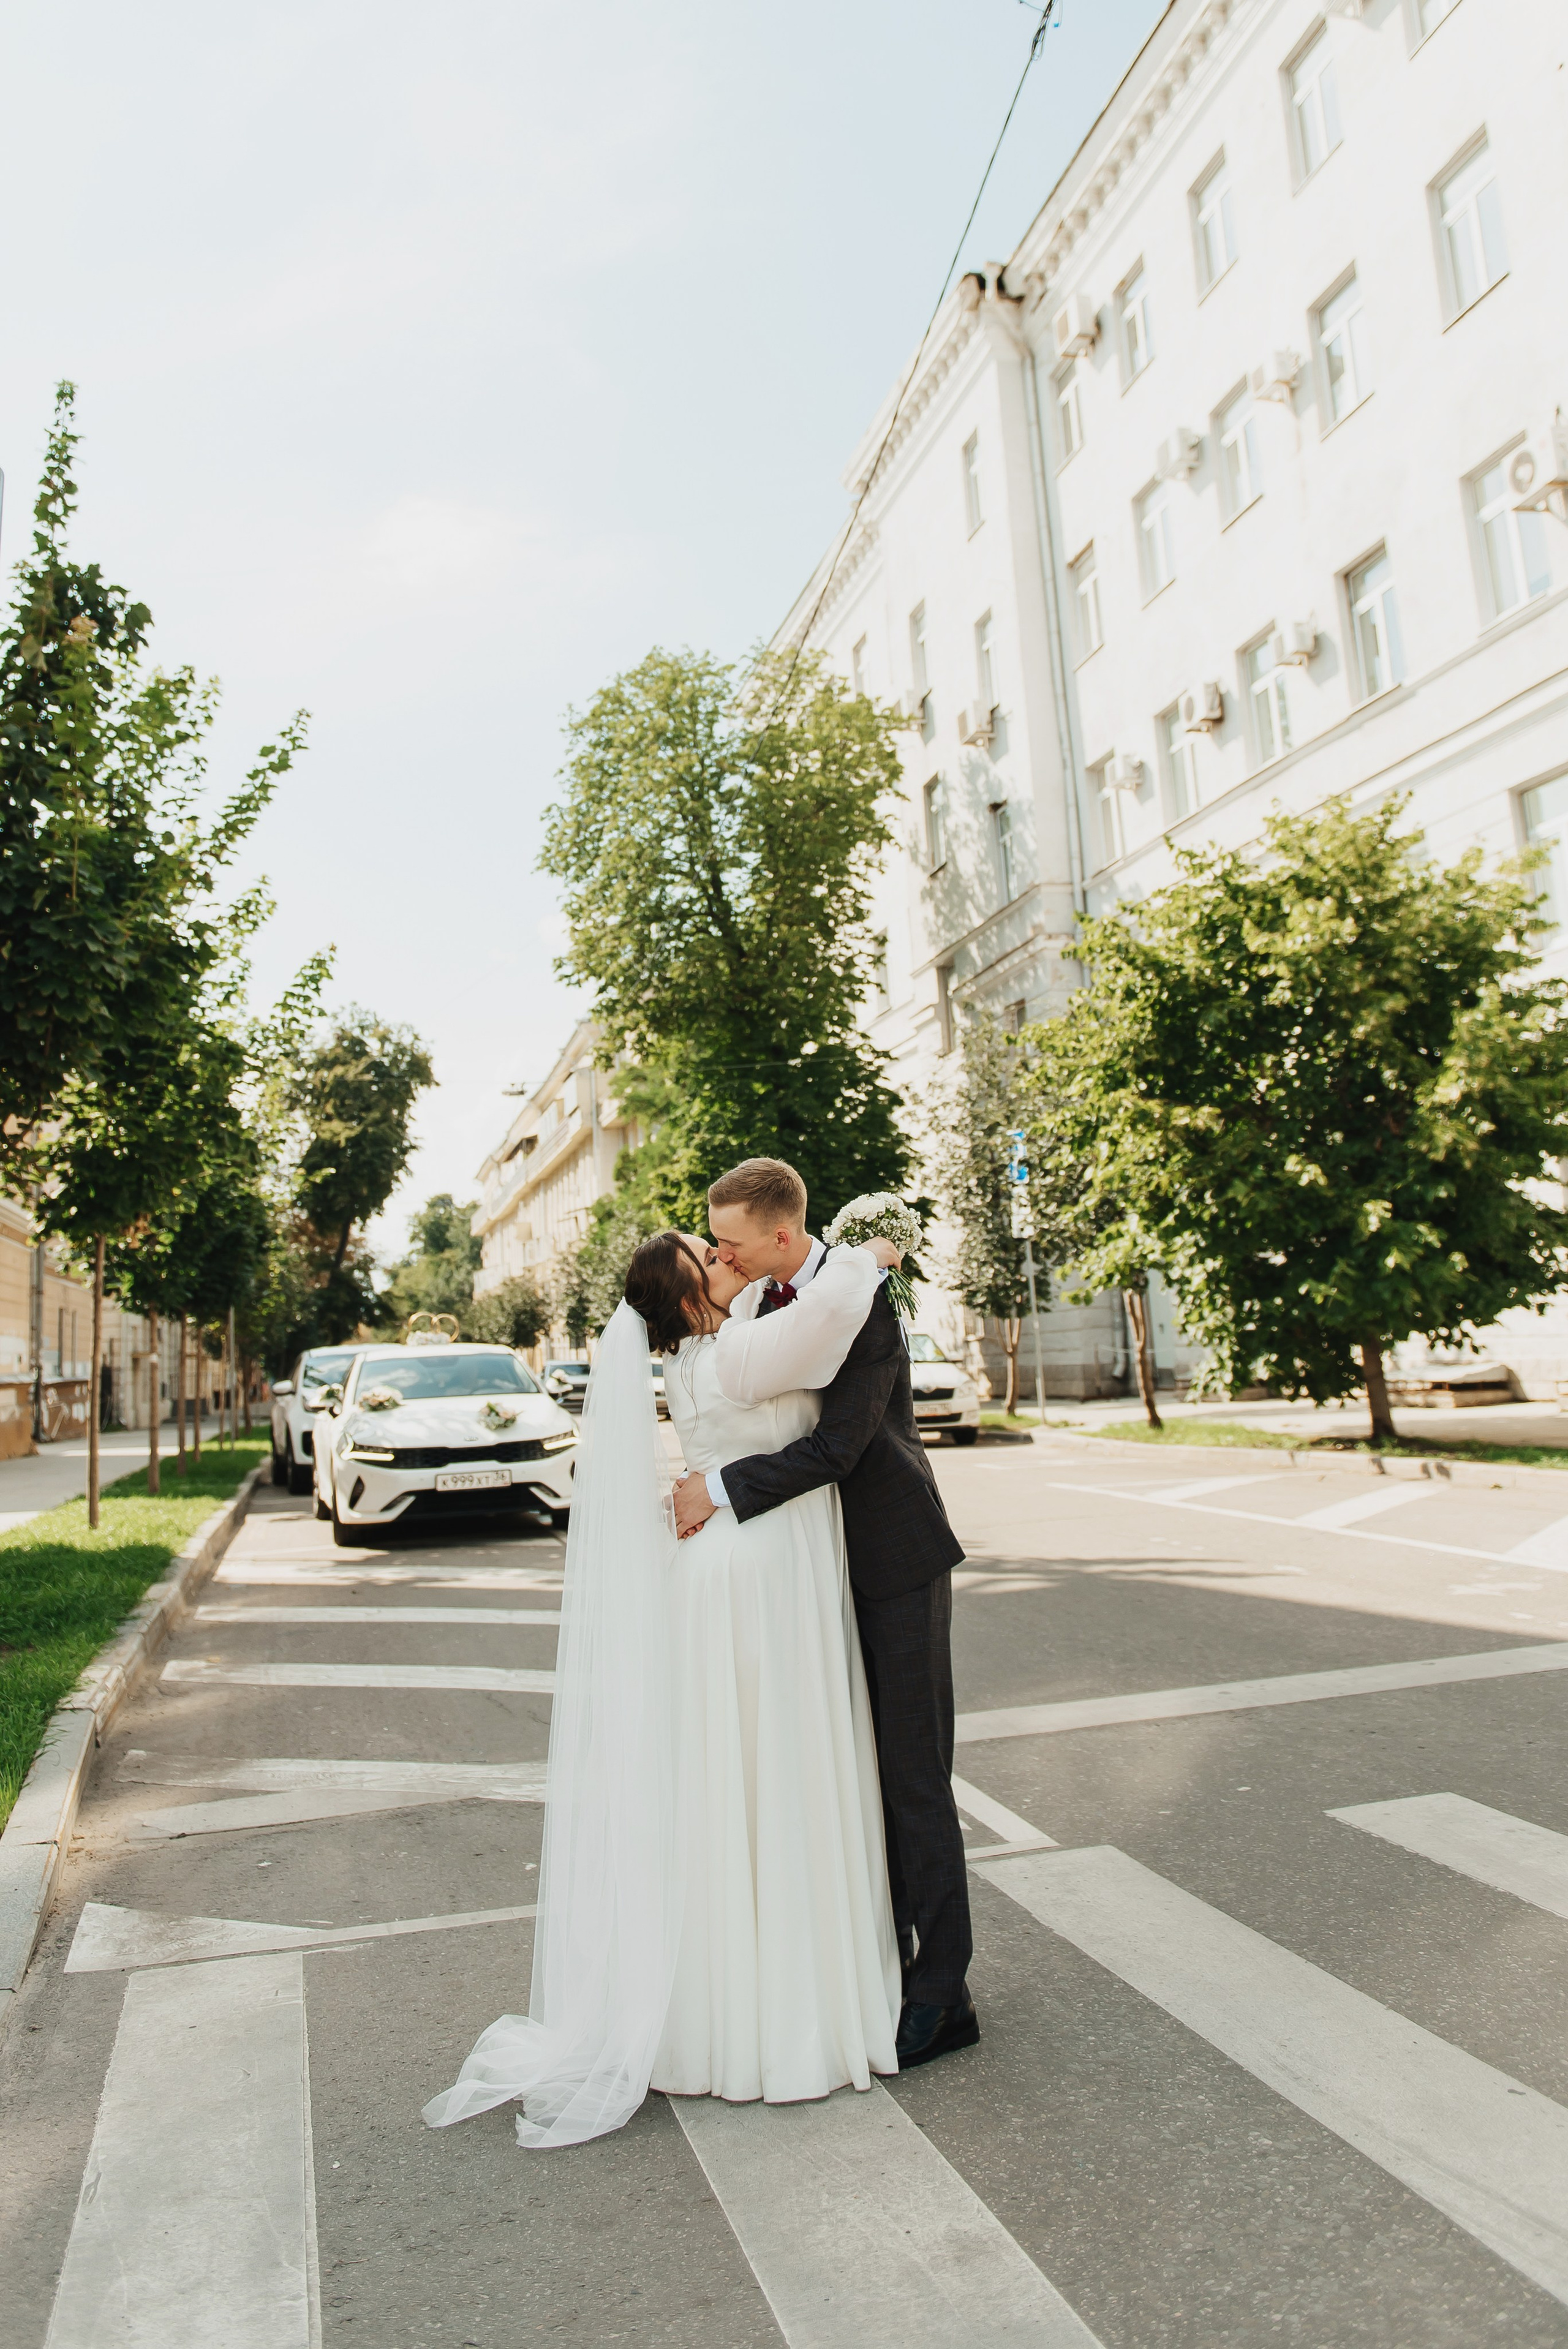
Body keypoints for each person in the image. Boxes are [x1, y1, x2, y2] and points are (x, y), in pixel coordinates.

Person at [421, 1221, 904, 2147]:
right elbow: (833, 1312)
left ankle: (726, 2012)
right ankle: (781, 2021)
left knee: (736, 1787)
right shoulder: (733, 1357)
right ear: (686, 1294)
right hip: (754, 1579)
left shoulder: (707, 1353)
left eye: (719, 1247)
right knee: (773, 1778)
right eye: (706, 1256)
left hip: (739, 1567)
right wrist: (869, 1255)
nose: (724, 1259)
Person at [675, 1156, 977, 2071]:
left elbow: (842, 1447)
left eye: (729, 1240)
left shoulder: (861, 1306)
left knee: (911, 1778)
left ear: (782, 1234)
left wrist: (720, 1489)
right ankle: (879, 1968)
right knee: (847, 1777)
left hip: (892, 1560)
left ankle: (944, 1995)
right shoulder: (762, 1309)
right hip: (808, 1576)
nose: (717, 1254)